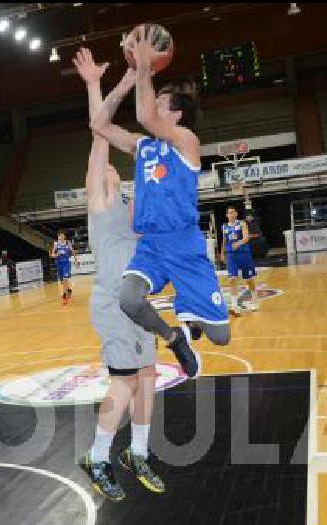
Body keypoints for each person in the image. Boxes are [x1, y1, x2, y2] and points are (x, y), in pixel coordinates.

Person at [90, 26, 230, 379]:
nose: (154, 104)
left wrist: (143, 66)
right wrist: (125, 81)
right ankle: (175, 339)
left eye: (161, 102)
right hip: (151, 244)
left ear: (177, 113)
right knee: (129, 299)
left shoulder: (186, 141)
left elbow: (144, 116)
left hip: (183, 242)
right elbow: (99, 124)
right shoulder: (143, 147)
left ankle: (194, 324)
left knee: (222, 337)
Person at [75, 47, 165, 502]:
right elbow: (99, 132)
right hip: (113, 303)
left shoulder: (130, 206)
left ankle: (139, 451)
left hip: (137, 303)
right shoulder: (101, 202)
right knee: (125, 381)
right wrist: (99, 85)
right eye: (104, 165)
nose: (109, 166)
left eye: (112, 167)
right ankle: (96, 455)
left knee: (148, 377)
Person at [221, 205, 259, 315]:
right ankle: (234, 306)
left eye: (233, 212)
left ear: (236, 214)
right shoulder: (224, 227)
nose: (231, 215)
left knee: (249, 279)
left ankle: (255, 300)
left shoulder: (241, 223)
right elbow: (223, 241)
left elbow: (246, 237)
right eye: (229, 213)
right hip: (231, 256)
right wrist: (222, 253)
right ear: (227, 215)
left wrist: (239, 243)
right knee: (232, 279)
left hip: (244, 254)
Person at [50, 231, 78, 305]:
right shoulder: (56, 244)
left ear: (64, 236)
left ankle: (65, 297)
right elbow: (52, 255)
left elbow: (73, 251)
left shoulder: (68, 243)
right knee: (62, 282)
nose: (61, 237)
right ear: (58, 237)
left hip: (66, 263)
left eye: (63, 236)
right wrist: (56, 254)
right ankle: (68, 290)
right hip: (59, 264)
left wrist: (76, 260)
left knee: (65, 279)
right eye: (60, 236)